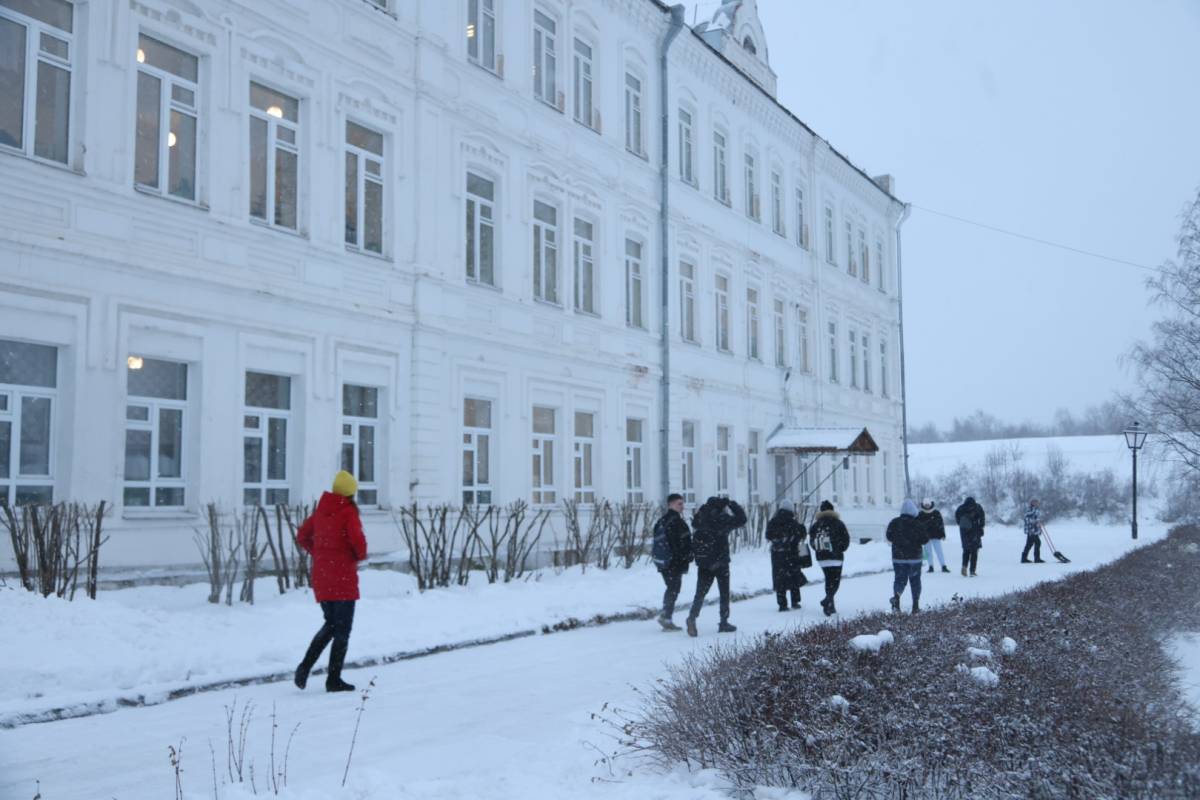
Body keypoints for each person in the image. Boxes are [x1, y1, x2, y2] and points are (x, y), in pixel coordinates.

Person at [294, 470, 368, 693]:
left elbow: (302, 536)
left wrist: (318, 553)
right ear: (351, 494)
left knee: (331, 625)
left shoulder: (322, 511)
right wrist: (355, 556)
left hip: (323, 578)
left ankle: (305, 666)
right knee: (342, 630)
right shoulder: (347, 512)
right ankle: (333, 679)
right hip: (343, 579)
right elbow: (359, 546)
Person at [686, 496, 747, 636]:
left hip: (704, 563)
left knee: (700, 593)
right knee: (724, 593)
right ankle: (724, 622)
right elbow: (742, 519)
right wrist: (731, 503)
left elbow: (695, 524)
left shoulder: (700, 518)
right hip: (720, 562)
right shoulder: (722, 519)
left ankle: (692, 617)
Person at [651, 493, 693, 631]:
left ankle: (666, 615)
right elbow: (681, 544)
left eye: (682, 503)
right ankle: (666, 617)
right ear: (670, 505)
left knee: (671, 588)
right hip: (673, 562)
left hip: (662, 561)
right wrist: (687, 557)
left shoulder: (662, 521)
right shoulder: (677, 522)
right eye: (679, 504)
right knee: (673, 588)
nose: (682, 506)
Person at [887, 499, 929, 614]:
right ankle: (915, 606)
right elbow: (925, 539)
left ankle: (896, 599)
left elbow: (889, 536)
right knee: (915, 581)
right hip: (914, 558)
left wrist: (900, 541)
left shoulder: (894, 522)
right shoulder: (918, 523)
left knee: (899, 579)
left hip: (898, 557)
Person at [765, 500, 808, 611]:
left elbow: (768, 535)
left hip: (777, 555)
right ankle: (795, 601)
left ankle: (782, 604)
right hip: (792, 554)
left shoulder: (773, 522)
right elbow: (801, 534)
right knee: (794, 576)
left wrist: (779, 539)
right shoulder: (793, 523)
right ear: (791, 510)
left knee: (779, 578)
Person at [809, 500, 850, 616]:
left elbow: (812, 541)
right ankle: (827, 599)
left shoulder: (816, 525)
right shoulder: (838, 523)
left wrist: (819, 549)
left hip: (822, 558)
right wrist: (840, 548)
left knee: (828, 580)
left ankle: (830, 606)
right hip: (836, 557)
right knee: (835, 582)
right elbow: (846, 539)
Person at [955, 496, 986, 577]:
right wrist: (981, 526)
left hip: (964, 532)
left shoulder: (961, 508)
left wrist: (962, 525)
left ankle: (964, 566)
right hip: (975, 531)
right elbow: (982, 517)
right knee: (974, 552)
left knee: (966, 550)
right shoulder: (977, 507)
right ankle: (972, 571)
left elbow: (957, 518)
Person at [918, 499, 949, 573]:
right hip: (926, 537)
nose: (927, 506)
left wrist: (943, 534)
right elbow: (918, 526)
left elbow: (941, 524)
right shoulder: (920, 514)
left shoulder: (936, 513)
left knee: (939, 552)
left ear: (930, 504)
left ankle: (943, 566)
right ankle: (931, 566)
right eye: (925, 505)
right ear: (923, 505)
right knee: (928, 553)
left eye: (928, 504)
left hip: (936, 535)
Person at [1021, 498, 1046, 563]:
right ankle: (1036, 559)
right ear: (1032, 503)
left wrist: (1040, 522)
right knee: (1037, 542)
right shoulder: (1030, 510)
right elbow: (1027, 519)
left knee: (1029, 544)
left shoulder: (1036, 510)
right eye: (1035, 502)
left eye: (1037, 502)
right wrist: (1036, 522)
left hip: (1034, 530)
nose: (1037, 503)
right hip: (1031, 530)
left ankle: (1024, 558)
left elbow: (1037, 518)